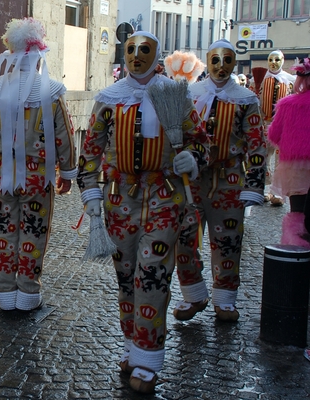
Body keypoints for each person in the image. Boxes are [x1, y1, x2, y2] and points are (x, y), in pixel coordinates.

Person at [76, 31, 210, 393]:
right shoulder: (108, 99)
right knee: (126, 275)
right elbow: (90, 151)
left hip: (165, 197)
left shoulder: (175, 95)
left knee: (152, 274)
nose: (136, 56)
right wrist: (89, 193)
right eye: (130, 50)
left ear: (156, 55)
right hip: (120, 200)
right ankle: (131, 346)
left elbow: (202, 142)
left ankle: (148, 360)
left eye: (143, 50)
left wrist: (192, 158)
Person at [0, 18, 77, 312]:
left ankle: (5, 291)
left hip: (1, 176)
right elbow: (64, 134)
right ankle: (28, 291)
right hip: (37, 177)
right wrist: (67, 171)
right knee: (34, 230)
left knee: (3, 230)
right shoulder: (51, 90)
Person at [173, 39, 266, 324]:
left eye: (227, 60)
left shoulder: (246, 98)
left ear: (234, 63)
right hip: (192, 180)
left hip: (229, 180)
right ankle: (193, 294)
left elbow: (257, 145)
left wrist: (254, 185)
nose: (221, 66)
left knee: (227, 241)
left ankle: (225, 299)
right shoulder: (191, 93)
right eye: (215, 59)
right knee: (184, 237)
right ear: (208, 60)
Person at [267, 57, 310, 248]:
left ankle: (297, 253)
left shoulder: (287, 104)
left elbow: (274, 136)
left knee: (298, 212)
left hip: (295, 169)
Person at [259, 50, 295, 206]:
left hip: (283, 125)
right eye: (270, 59)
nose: (273, 62)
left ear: (283, 60)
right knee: (265, 157)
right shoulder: (259, 79)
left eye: (277, 59)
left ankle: (278, 192)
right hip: (264, 123)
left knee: (281, 159)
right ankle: (265, 189)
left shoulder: (290, 79)